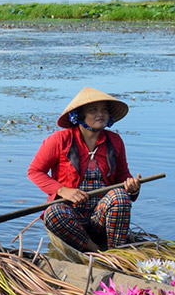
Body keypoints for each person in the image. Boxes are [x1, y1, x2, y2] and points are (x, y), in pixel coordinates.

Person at [28, 87, 142, 253]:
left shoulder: (115, 141)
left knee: (121, 197)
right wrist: (63, 190)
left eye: (104, 110)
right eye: (93, 110)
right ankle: (94, 249)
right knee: (53, 213)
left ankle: (115, 252)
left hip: (100, 216)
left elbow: (123, 177)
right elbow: (34, 171)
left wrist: (132, 187)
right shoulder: (59, 140)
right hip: (71, 215)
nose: (100, 114)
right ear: (79, 115)